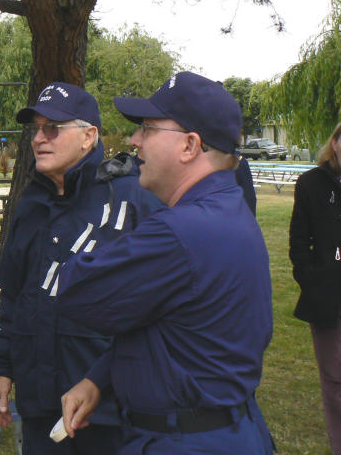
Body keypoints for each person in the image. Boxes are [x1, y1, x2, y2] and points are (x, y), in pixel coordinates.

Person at [56, 71, 274, 454]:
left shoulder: (180, 232)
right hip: (223, 429)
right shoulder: (228, 211)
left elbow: (75, 290)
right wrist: (98, 379)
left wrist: (84, 220)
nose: (134, 140)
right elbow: (169, 329)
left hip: (186, 442)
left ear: (189, 145)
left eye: (148, 129)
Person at [0, 82, 160, 454]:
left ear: (88, 136)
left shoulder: (131, 198)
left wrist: (104, 381)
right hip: (40, 406)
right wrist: (2, 366)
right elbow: (14, 294)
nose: (38, 139)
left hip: (109, 409)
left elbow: (157, 307)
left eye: (53, 128)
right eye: (36, 129)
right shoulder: (31, 203)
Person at [289, 121, 341, 454]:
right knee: (335, 379)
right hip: (328, 295)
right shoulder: (311, 183)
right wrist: (311, 278)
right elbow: (298, 240)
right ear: (335, 142)